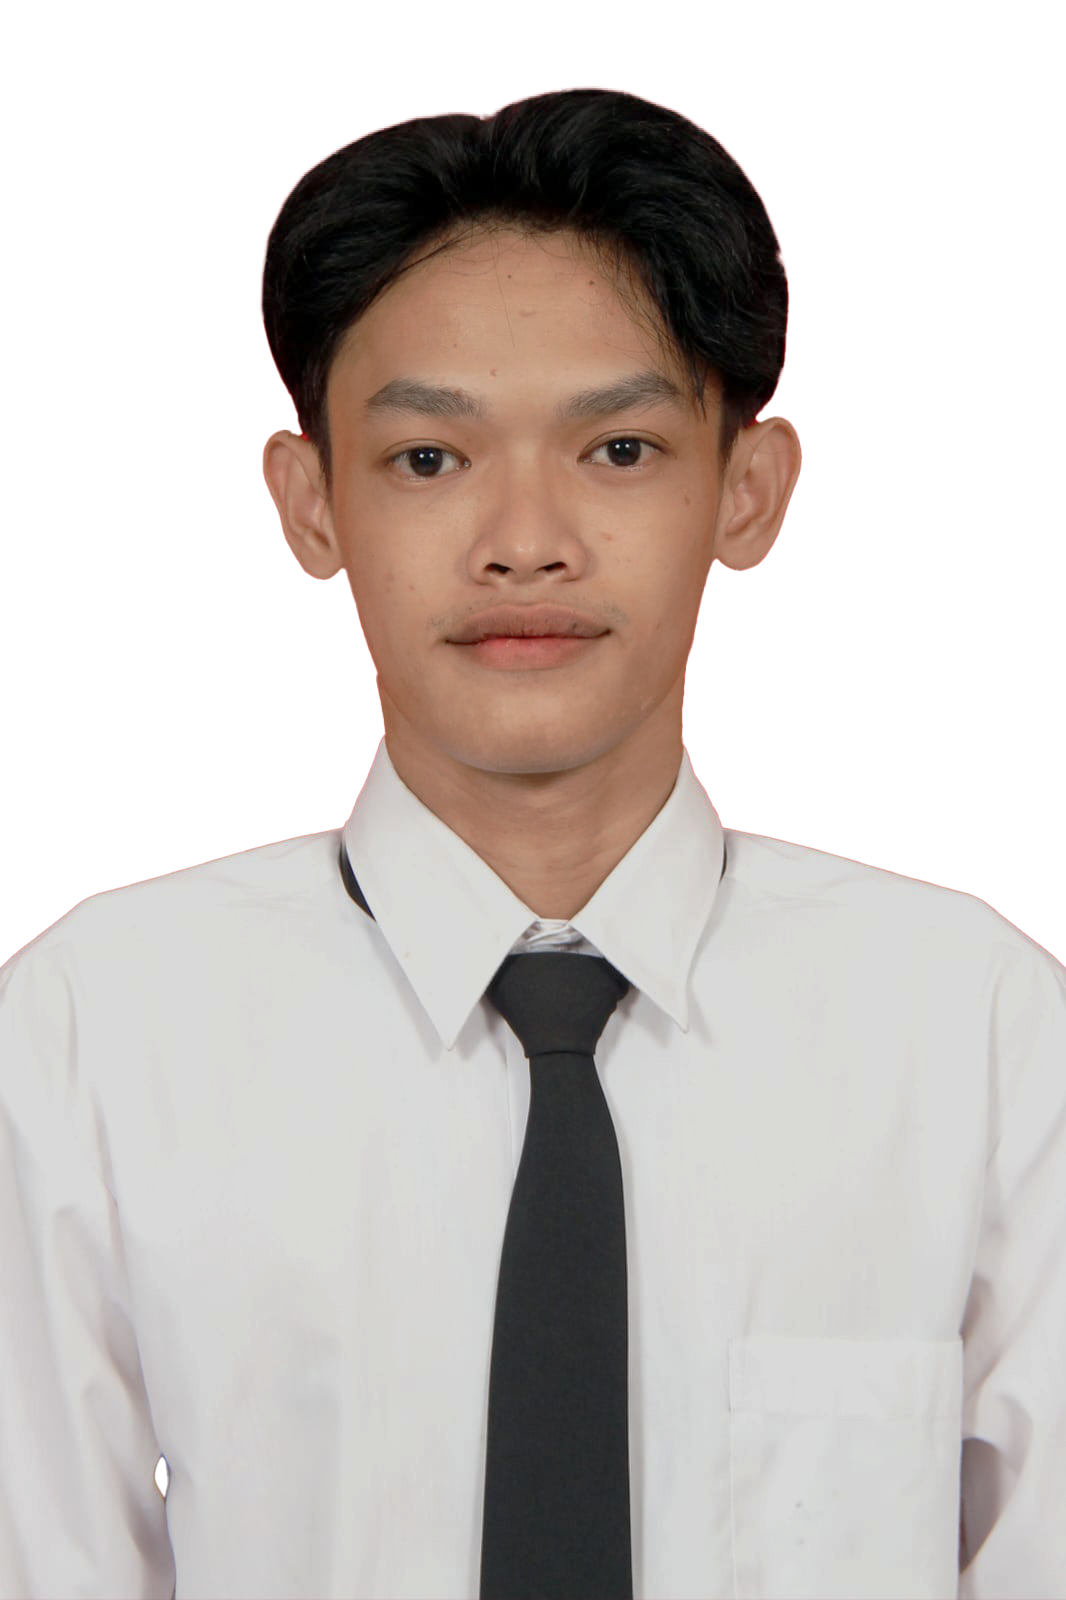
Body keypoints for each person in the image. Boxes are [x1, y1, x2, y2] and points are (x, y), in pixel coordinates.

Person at [1, 84, 1063, 1600]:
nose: (524, 542)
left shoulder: (984, 1034)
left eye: (617, 449)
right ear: (310, 505)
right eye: (428, 459)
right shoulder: (87, 1038)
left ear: (747, 490)